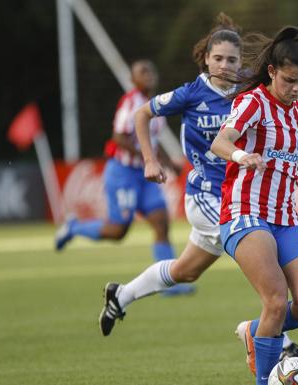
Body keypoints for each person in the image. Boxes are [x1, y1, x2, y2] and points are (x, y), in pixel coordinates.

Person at [97, 14, 298, 362]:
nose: (225, 65)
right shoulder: (190, 93)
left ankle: (121, 295)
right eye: (218, 59)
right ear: (206, 59)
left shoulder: (251, 91)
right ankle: (279, 336)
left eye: (232, 59)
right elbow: (142, 114)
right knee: (259, 251)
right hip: (207, 196)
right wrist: (150, 160)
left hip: (243, 193)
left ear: (241, 62)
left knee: (186, 270)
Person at [210, 26, 298, 385]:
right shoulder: (253, 102)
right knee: (274, 299)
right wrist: (242, 155)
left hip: (284, 218)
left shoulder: (296, 110)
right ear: (272, 72)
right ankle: (264, 379)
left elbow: (294, 169)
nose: (296, 88)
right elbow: (220, 143)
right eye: (289, 80)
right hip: (244, 212)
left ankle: (256, 332)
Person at [54, 60, 194, 295]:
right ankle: (74, 227)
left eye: (150, 70)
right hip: (123, 173)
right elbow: (119, 137)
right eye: (142, 72)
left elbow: (154, 144)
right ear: (133, 80)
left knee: (161, 223)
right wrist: (146, 155)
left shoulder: (157, 106)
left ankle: (171, 285)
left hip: (144, 174)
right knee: (118, 230)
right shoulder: (130, 102)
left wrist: (170, 165)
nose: (148, 75)